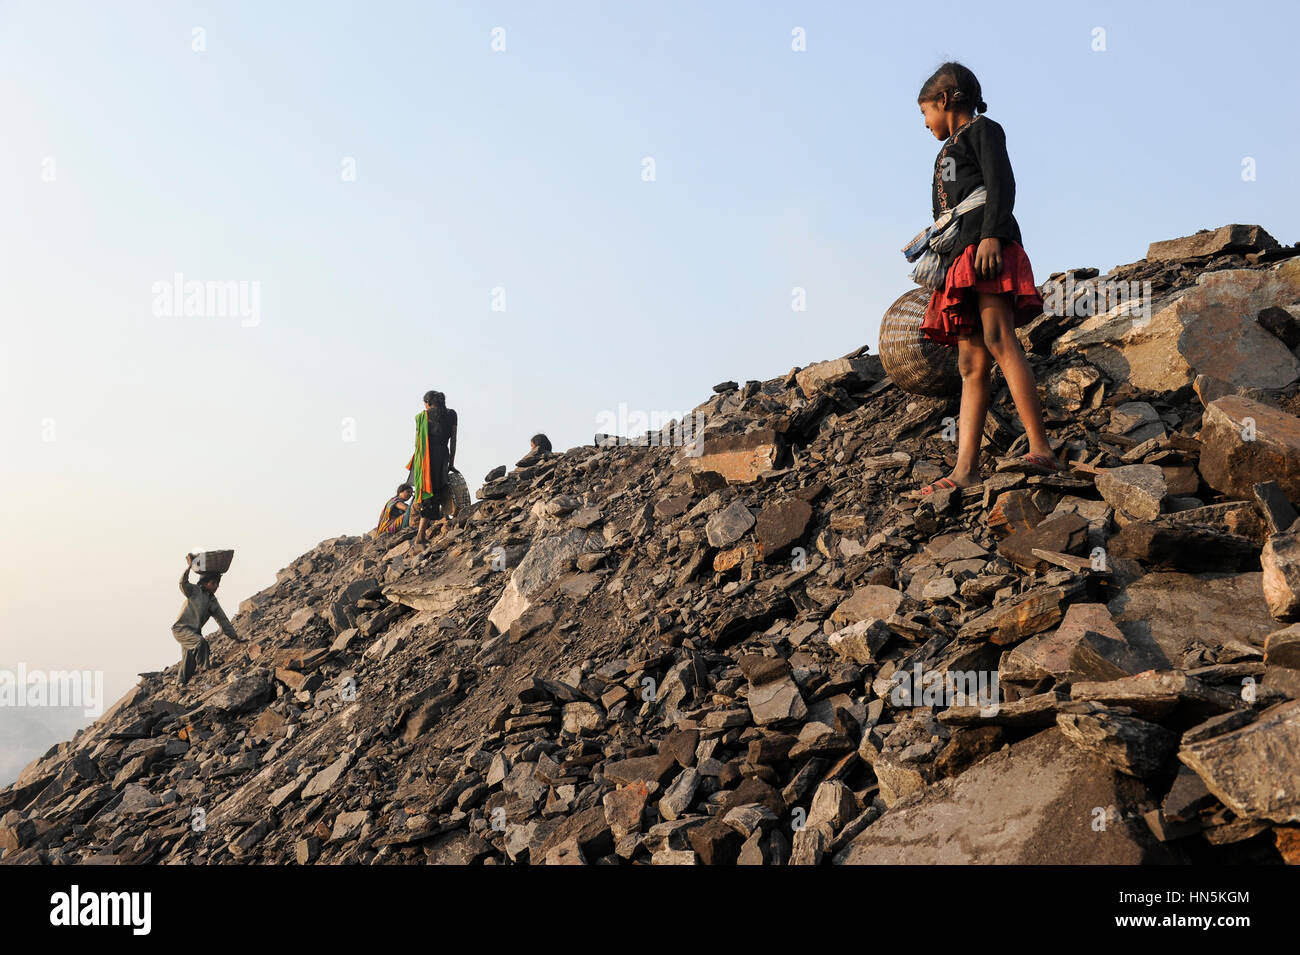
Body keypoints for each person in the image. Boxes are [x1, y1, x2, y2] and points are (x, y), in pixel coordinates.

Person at [911, 62, 1061, 498]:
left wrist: (993, 233)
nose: (924, 123)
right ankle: (965, 470)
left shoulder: (984, 131)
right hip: (960, 257)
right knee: (970, 364)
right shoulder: (946, 151)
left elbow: (1001, 184)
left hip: (986, 246)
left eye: (924, 113)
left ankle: (1041, 447)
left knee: (999, 339)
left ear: (944, 100)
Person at [173, 554, 242, 686]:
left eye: (217, 583)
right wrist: (188, 568)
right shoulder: (194, 591)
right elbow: (183, 583)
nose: (216, 586)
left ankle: (180, 684)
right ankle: (205, 668)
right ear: (205, 583)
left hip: (194, 631)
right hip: (181, 629)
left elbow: (223, 621)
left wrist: (236, 637)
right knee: (201, 643)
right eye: (213, 583)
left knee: (188, 660)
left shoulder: (212, 602)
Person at [406, 390, 458, 547]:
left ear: (428, 403)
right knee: (440, 490)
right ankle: (428, 531)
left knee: (427, 494)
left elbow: (417, 443)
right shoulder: (452, 414)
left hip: (426, 459)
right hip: (442, 455)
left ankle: (420, 536)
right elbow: (454, 440)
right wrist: (451, 462)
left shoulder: (422, 417)